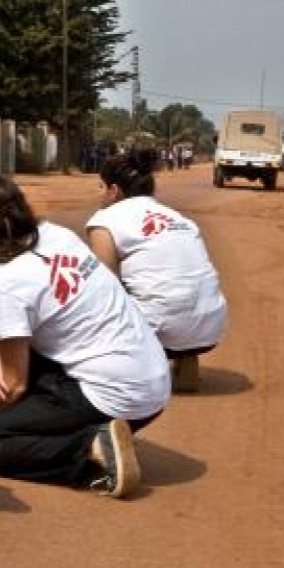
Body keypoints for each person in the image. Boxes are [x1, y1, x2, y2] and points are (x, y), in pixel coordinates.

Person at [0, 174, 170, 498]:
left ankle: (90, 448)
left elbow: (13, 384)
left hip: (118, 394)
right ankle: (99, 434)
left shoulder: (8, 283)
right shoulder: (56, 234)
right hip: (154, 387)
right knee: (28, 379)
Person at [86, 149, 228, 392]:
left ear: (114, 191)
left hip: (159, 331)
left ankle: (129, 371)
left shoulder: (104, 220)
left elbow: (104, 284)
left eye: (101, 186)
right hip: (209, 328)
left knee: (90, 300)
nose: (97, 193)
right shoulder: (179, 219)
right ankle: (185, 359)